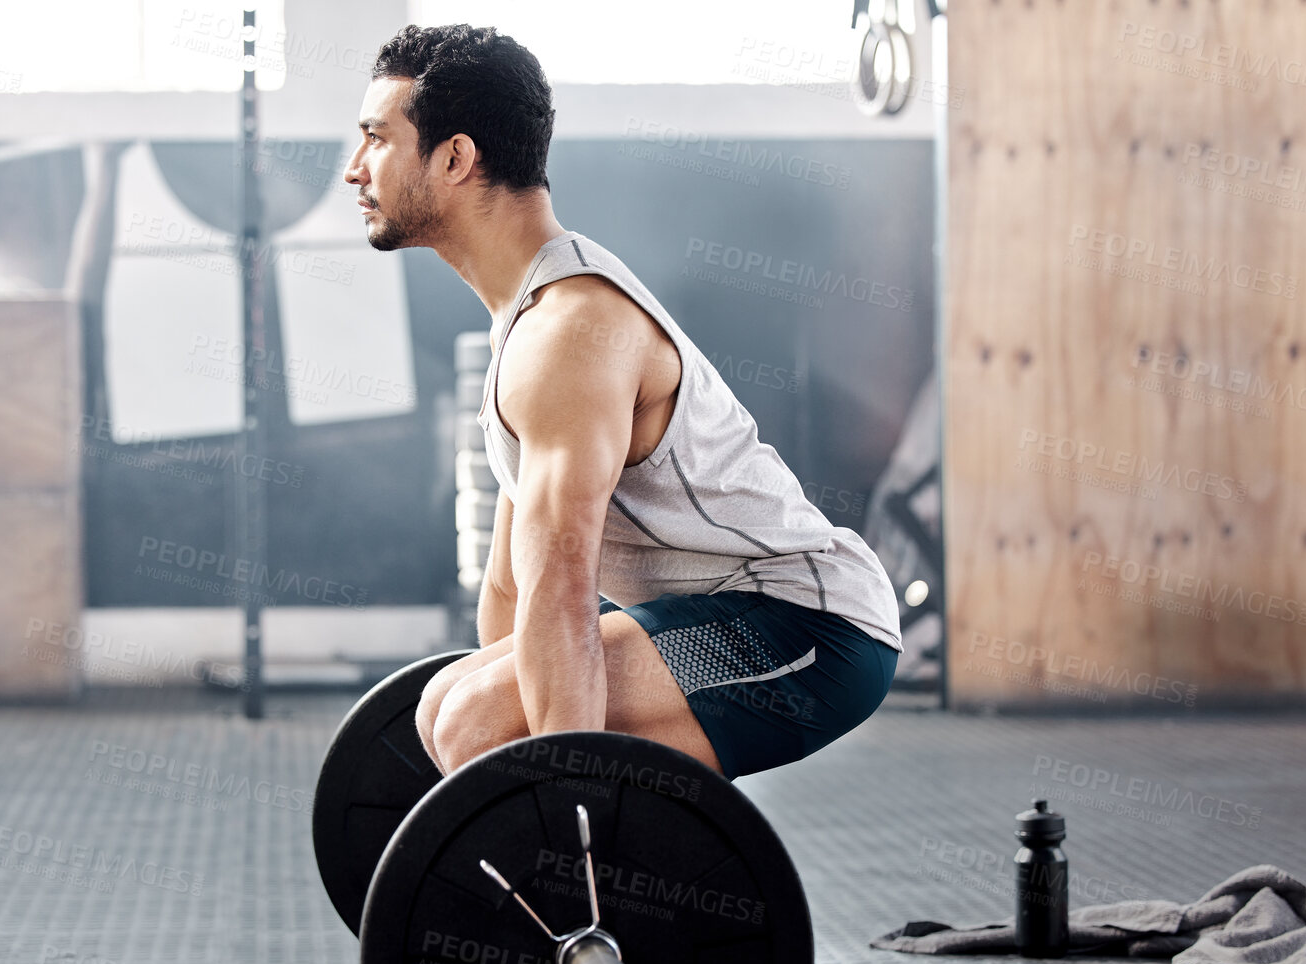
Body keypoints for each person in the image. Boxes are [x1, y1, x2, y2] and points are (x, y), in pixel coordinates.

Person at [345, 24, 903, 782]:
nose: (354, 170)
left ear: (454, 158)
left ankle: (612, 890)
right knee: (451, 704)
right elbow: (511, 586)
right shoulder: (531, 315)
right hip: (729, 609)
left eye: (376, 139)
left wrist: (551, 798)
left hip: (807, 625)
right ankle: (607, 887)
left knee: (479, 722)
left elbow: (562, 590)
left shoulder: (571, 333)